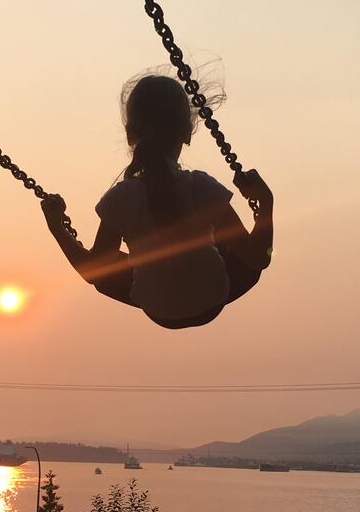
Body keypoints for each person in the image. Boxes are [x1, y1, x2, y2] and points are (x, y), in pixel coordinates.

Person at [40, 74, 273, 329]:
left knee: (103, 267)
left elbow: (91, 272)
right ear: (187, 133)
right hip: (215, 296)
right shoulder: (204, 189)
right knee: (236, 247)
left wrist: (57, 227)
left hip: (159, 309)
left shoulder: (119, 199)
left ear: (130, 135)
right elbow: (259, 258)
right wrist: (265, 202)